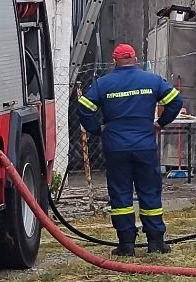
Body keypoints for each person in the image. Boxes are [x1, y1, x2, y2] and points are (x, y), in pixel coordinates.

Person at [77, 43, 183, 256]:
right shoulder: (151, 80)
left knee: (120, 194)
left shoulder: (103, 84)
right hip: (145, 146)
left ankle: (126, 245)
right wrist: (160, 123)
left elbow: (83, 108)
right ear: (135, 58)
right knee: (150, 191)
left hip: (116, 146)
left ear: (114, 61)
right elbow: (176, 100)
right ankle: (156, 242)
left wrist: (97, 130)